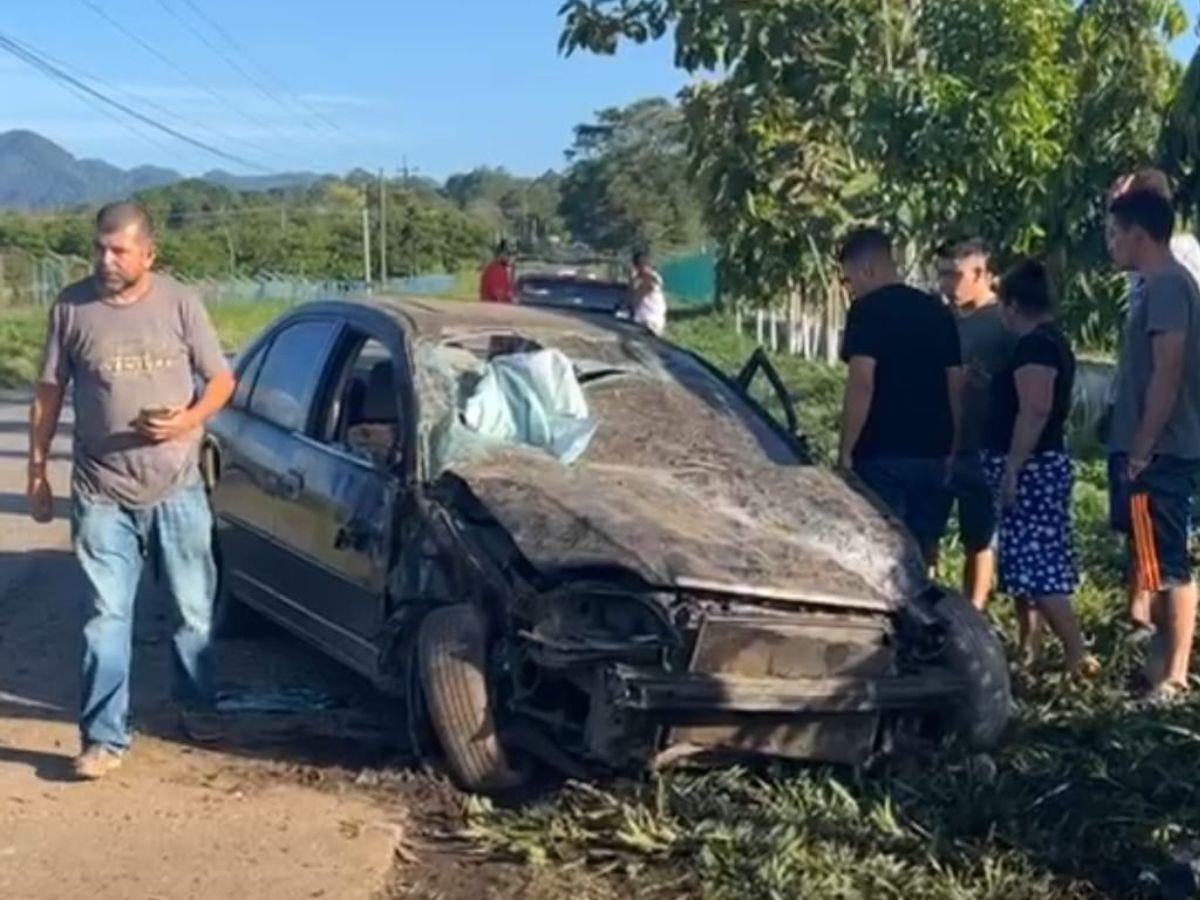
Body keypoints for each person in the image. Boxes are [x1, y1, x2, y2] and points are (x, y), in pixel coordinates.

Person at [27, 202, 236, 779]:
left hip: (177, 485)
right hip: (101, 490)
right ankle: (103, 737)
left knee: (192, 610)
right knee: (105, 614)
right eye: (99, 248)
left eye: (119, 250)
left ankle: (197, 706)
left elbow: (221, 379)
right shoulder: (71, 307)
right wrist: (37, 469)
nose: (106, 260)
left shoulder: (180, 303)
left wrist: (189, 418)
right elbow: (48, 393)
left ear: (149, 253)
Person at [1107, 188, 1200, 703]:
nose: (1111, 245)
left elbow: (1167, 371)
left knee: (1167, 566)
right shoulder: (1159, 285)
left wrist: (1142, 446)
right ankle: (1159, 665)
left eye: (1115, 235)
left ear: (1139, 235)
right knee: (1150, 562)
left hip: (1161, 452)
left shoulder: (1167, 288)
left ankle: (1176, 674)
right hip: (1154, 449)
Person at [981, 259, 1096, 677]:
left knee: (1040, 569)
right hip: (1030, 465)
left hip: (1031, 470)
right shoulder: (1046, 343)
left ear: (1012, 304)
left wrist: (1013, 467)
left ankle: (1075, 653)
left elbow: (1035, 408)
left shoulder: (1037, 347)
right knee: (1024, 570)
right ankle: (1029, 651)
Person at [838, 227, 965, 565]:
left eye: (849, 281)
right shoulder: (938, 312)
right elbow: (956, 383)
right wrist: (953, 445)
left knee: (884, 553)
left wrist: (846, 451)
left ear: (867, 270)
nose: (850, 291)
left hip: (881, 453)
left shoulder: (866, 313)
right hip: (933, 453)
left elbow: (862, 382)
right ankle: (928, 611)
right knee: (924, 553)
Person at [936, 238, 1016, 609]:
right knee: (926, 530)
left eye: (955, 275)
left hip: (985, 444)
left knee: (979, 537)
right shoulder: (941, 319)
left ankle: (975, 609)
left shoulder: (1003, 323)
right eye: (941, 276)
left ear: (982, 273)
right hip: (940, 442)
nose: (947, 285)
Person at [630, 250, 667, 336]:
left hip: (650, 321)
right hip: (645, 319)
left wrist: (633, 281)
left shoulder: (650, 278)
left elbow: (637, 294)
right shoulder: (642, 277)